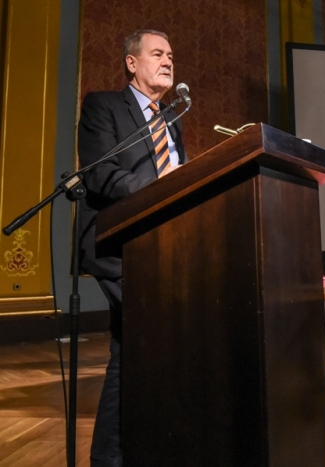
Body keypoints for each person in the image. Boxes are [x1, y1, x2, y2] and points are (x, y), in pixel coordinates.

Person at [77, 29, 187, 466]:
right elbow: (100, 174)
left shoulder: (172, 118)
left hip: (165, 247)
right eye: (157, 53)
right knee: (135, 347)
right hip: (119, 246)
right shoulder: (103, 105)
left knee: (144, 348)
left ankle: (144, 447)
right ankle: (109, 458)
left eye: (171, 55)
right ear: (131, 63)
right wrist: (161, 185)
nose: (168, 61)